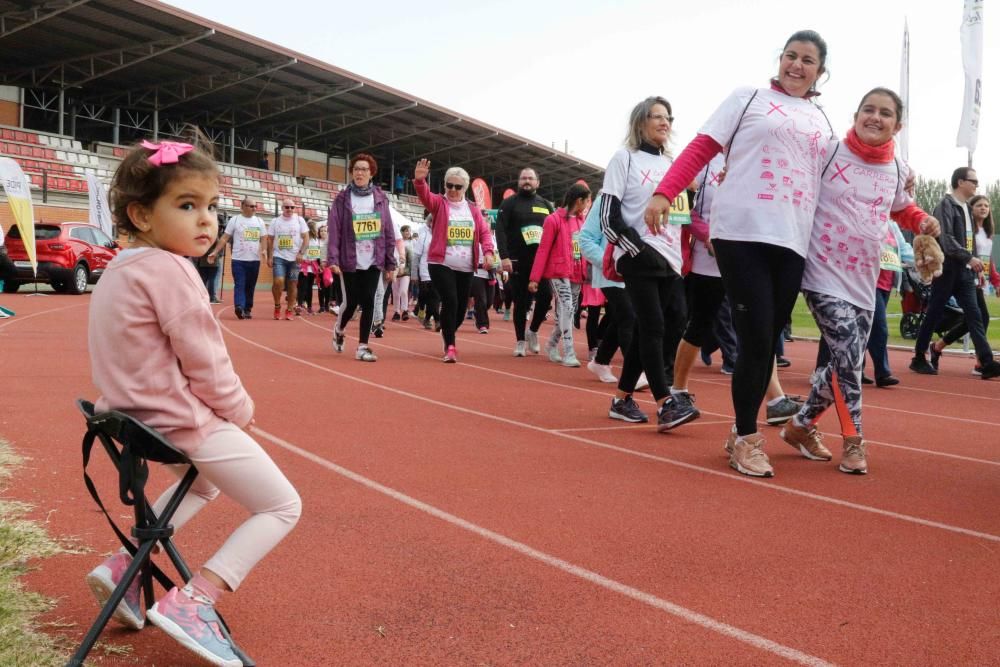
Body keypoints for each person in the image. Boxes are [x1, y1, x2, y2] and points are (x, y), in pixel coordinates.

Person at [87, 136, 301, 666]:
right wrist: (241, 412)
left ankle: (125, 568)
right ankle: (196, 598)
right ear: (141, 214)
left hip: (126, 417)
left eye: (210, 207)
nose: (206, 220)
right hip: (176, 420)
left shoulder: (119, 267)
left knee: (204, 483)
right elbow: (206, 364)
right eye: (187, 206)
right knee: (281, 505)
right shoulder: (173, 271)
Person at [645, 30, 838, 475]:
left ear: (820, 72)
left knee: (768, 338)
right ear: (780, 60)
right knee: (753, 337)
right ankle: (745, 435)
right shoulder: (747, 97)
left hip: (793, 239)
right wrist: (664, 193)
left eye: (808, 60)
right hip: (741, 233)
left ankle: (749, 431)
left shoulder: (822, 121)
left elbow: (837, 180)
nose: (797, 65)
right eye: (790, 56)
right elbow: (701, 148)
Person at [775, 87, 939, 475]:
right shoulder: (829, 151)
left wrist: (921, 221)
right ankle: (854, 441)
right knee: (849, 353)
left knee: (841, 361)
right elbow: (790, 174)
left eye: (885, 113)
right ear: (855, 114)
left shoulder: (898, 169)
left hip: (865, 276)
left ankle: (800, 426)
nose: (875, 117)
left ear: (897, 125)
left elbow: (901, 208)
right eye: (868, 109)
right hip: (820, 269)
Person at [601, 96, 687, 431]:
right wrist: (634, 248)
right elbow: (609, 216)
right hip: (638, 257)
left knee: (662, 325)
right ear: (641, 123)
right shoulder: (625, 158)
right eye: (657, 117)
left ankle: (622, 399)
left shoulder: (673, 165)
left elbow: (680, 215)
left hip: (671, 261)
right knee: (653, 326)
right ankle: (666, 402)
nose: (665, 122)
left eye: (669, 117)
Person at [910, 168, 1000, 379]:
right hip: (948, 270)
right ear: (961, 182)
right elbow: (947, 240)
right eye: (973, 181)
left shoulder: (967, 209)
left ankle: (986, 362)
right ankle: (918, 357)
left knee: (976, 316)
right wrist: (969, 258)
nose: (977, 185)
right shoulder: (945, 206)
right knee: (933, 312)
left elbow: (971, 242)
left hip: (965, 273)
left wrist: (976, 267)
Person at [413, 158, 495, 362]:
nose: (453, 190)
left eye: (458, 186)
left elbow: (484, 233)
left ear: (465, 188)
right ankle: (450, 346)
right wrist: (420, 181)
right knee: (450, 301)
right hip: (441, 263)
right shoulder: (439, 204)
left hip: (466, 266)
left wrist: (488, 252)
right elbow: (425, 197)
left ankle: (448, 332)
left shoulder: (473, 210)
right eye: (449, 185)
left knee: (460, 308)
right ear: (445, 186)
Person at [327, 153, 397, 362]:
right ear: (352, 172)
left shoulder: (380, 198)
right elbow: (334, 230)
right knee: (350, 303)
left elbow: (388, 230)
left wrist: (390, 262)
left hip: (373, 260)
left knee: (368, 302)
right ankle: (340, 328)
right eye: (356, 169)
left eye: (364, 169)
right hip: (349, 259)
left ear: (371, 173)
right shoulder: (342, 198)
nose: (360, 173)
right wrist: (333, 259)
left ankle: (363, 347)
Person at [927, 194, 1000, 374]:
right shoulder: (968, 231)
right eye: (979, 205)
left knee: (975, 319)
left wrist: (996, 280)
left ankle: (937, 346)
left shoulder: (987, 232)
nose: (983, 208)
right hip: (964, 277)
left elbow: (987, 259)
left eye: (986, 205)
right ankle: (981, 362)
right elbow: (961, 251)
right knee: (980, 318)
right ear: (970, 209)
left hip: (978, 278)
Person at [529, 183, 592, 367]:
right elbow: (543, 249)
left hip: (576, 271)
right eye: (587, 201)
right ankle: (569, 352)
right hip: (558, 271)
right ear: (579, 201)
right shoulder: (553, 220)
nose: (588, 204)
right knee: (566, 307)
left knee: (569, 311)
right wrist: (535, 278)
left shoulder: (581, 221)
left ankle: (551, 344)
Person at [495, 167, 554, 356]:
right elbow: (500, 230)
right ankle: (520, 340)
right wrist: (504, 256)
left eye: (530, 178)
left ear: (538, 182)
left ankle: (533, 331)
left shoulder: (545, 205)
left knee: (545, 297)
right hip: (517, 260)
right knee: (521, 302)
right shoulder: (509, 203)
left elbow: (555, 232)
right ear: (518, 182)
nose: (526, 181)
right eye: (523, 178)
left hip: (541, 262)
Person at [209, 197, 265, 319]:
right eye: (251, 206)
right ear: (243, 207)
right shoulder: (235, 220)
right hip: (238, 260)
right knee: (239, 283)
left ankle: (247, 308)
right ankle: (239, 306)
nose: (254, 208)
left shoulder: (259, 221)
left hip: (254, 260)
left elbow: (264, 238)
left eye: (255, 206)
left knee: (250, 286)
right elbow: (224, 237)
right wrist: (215, 251)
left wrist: (265, 250)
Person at [266, 198, 309, 320]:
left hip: (295, 259)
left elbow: (306, 238)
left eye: (292, 207)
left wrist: (301, 253)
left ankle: (289, 309)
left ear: (294, 208)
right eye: (287, 207)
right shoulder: (275, 221)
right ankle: (277, 305)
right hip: (279, 257)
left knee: (293, 283)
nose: (289, 209)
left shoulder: (299, 220)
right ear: (282, 208)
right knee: (278, 281)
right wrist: (270, 256)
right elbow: (270, 239)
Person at [192, 215, 225, 303]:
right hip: (212, 259)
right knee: (212, 278)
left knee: (204, 278)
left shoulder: (202, 232)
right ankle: (212, 297)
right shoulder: (214, 235)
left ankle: (202, 296)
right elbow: (219, 245)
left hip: (202, 259)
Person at [296, 219, 322, 314]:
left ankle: (309, 306)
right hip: (304, 267)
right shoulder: (304, 240)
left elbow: (317, 255)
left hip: (313, 268)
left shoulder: (316, 241)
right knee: (303, 287)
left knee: (309, 287)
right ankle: (299, 305)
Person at [391, 225, 413, 321]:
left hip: (405, 273)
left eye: (409, 231)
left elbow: (411, 260)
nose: (407, 233)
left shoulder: (409, 245)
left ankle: (405, 310)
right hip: (395, 272)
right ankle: (396, 312)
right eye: (405, 231)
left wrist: (409, 272)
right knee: (395, 293)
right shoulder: (392, 245)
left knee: (403, 291)